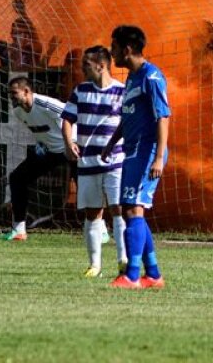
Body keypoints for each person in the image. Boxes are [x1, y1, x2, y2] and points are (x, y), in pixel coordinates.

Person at [104, 25, 170, 290]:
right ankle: (152, 274)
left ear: (127, 49)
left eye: (114, 48)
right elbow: (128, 116)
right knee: (133, 210)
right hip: (131, 150)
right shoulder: (132, 78)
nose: (112, 53)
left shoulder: (152, 77)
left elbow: (163, 117)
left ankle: (132, 276)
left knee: (133, 209)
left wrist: (157, 158)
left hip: (147, 151)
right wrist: (111, 143)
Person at [60, 46, 127, 278]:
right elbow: (67, 120)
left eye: (86, 65)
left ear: (101, 65)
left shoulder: (123, 91)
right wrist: (69, 143)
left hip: (116, 160)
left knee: (118, 209)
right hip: (87, 162)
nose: (81, 69)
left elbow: (130, 121)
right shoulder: (80, 91)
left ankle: (123, 260)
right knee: (92, 213)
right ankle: (94, 265)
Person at [2, 76, 73, 241]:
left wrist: (71, 145)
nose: (11, 97)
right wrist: (42, 145)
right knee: (17, 178)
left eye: (14, 93)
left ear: (26, 91)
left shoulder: (46, 104)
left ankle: (101, 228)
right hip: (50, 152)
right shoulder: (18, 112)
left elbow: (69, 118)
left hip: (71, 147)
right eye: (9, 93)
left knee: (88, 185)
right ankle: (19, 230)